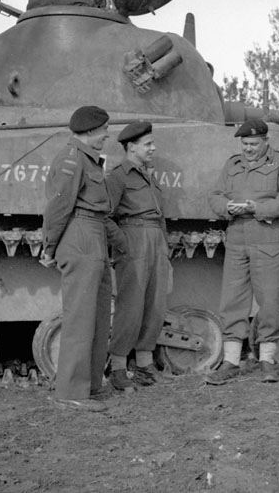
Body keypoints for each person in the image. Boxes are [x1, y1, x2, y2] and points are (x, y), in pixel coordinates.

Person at [206, 119, 279, 385]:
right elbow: (215, 195)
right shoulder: (233, 164)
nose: (248, 149)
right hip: (237, 236)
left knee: (269, 300)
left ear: (266, 141)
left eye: (253, 144)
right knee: (232, 299)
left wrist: (257, 208)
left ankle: (268, 360)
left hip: (268, 237)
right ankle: (231, 361)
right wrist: (227, 207)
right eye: (245, 144)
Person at [41, 105, 121, 411]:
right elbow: (59, 207)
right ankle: (71, 392)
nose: (107, 135)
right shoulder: (72, 158)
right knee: (80, 319)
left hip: (94, 236)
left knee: (98, 317)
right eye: (103, 130)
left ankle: (90, 386)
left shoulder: (88, 159)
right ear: (89, 131)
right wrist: (49, 246)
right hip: (81, 235)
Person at [106, 121, 171, 391]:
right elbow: (105, 216)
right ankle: (118, 369)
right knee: (130, 306)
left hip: (155, 240)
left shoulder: (148, 175)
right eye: (148, 144)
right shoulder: (118, 176)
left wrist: (163, 247)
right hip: (133, 239)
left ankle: (144, 365)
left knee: (154, 305)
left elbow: (159, 215)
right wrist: (123, 242)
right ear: (131, 147)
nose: (153, 148)